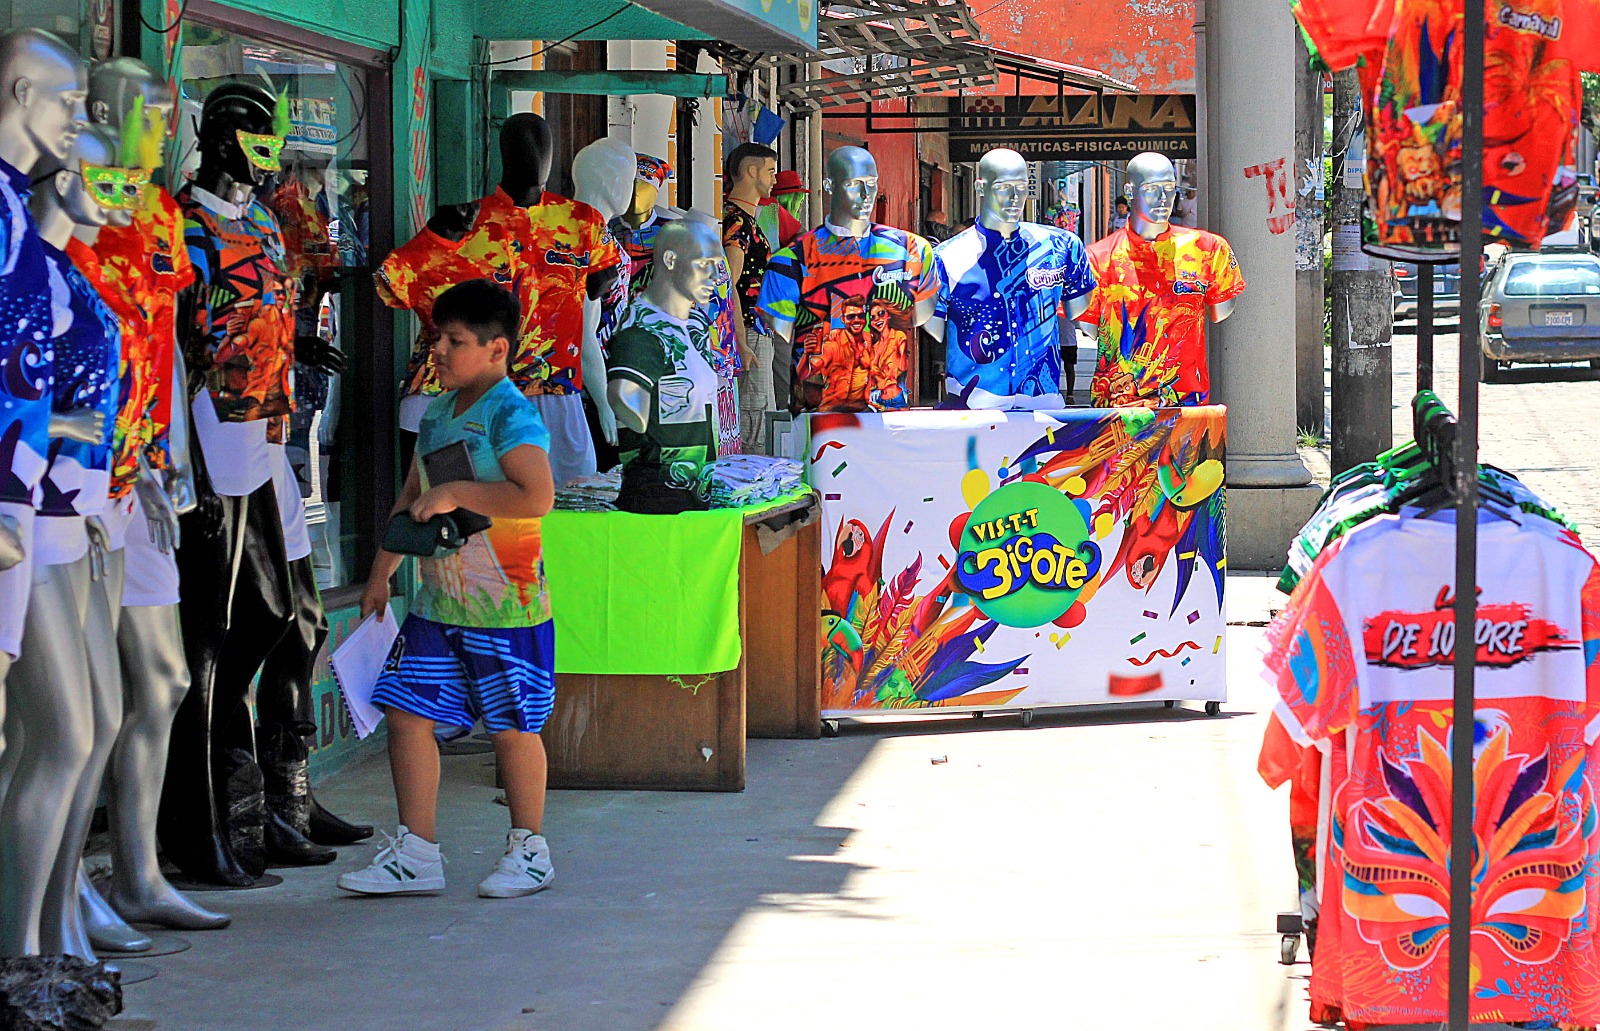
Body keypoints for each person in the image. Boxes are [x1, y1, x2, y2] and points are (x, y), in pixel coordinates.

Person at [342, 278, 559, 899]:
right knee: (406, 714)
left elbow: (536, 497)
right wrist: (380, 574)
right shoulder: (437, 411)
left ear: (497, 349)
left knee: (512, 727)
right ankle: (416, 853)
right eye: (436, 337)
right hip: (437, 604)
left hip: (507, 607)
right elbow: (411, 498)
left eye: (453, 341)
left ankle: (530, 850)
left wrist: (458, 492)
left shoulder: (512, 413)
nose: (436, 350)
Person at [722, 141, 777, 450]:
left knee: (762, 416)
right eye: (770, 171)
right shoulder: (737, 222)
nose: (774, 179)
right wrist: (740, 341)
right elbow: (728, 283)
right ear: (752, 171)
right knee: (753, 421)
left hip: (757, 331)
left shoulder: (745, 220)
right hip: (748, 332)